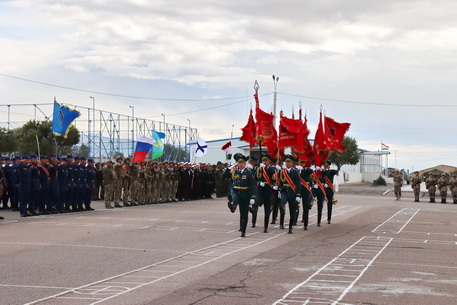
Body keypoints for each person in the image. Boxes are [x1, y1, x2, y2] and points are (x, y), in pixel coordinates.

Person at [230, 153, 256, 237]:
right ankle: (233, 207)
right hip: (236, 191)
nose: (240, 164)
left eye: (241, 163)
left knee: (244, 213)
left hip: (245, 194)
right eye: (239, 163)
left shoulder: (248, 173)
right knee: (234, 198)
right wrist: (228, 168)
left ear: (244, 164)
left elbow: (252, 186)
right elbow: (226, 175)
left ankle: (243, 230)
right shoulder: (235, 171)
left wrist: (252, 197)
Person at [279, 155, 301, 234]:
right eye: (286, 162)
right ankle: (281, 223)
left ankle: (290, 227)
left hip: (292, 193)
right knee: (282, 204)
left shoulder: (295, 172)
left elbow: (298, 184)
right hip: (284, 191)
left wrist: (298, 195)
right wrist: (279, 190)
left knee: (292, 211)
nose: (287, 163)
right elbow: (280, 182)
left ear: (292, 163)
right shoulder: (282, 171)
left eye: (289, 162)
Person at [255, 153, 276, 233]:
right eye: (263, 160)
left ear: (268, 161)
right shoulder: (258, 169)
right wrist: (259, 183)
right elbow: (255, 179)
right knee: (256, 203)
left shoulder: (271, 169)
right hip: (260, 190)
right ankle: (253, 212)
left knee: (267, 210)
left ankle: (265, 227)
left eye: (265, 161)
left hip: (268, 190)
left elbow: (274, 179)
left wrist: (274, 186)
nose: (264, 162)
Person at [298, 160, 314, 230]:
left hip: (305, 190)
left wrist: (303, 168)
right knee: (295, 206)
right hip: (298, 189)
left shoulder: (306, 170)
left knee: (306, 207)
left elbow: (311, 171)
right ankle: (294, 221)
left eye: (303, 163)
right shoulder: (296, 170)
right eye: (301, 163)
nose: (302, 164)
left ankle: (305, 224)